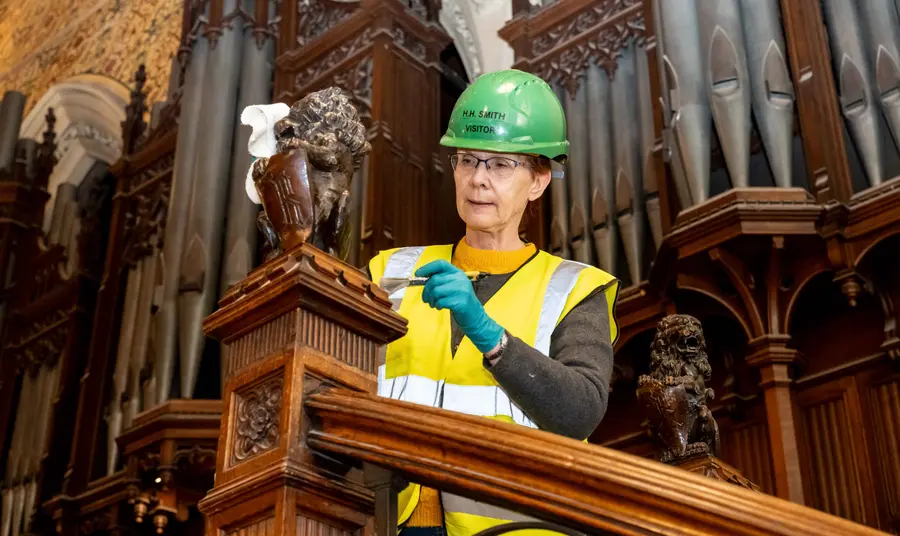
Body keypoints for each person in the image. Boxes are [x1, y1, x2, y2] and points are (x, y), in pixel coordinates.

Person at [368, 69, 619, 536]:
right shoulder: (390, 272)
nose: (478, 180)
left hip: (509, 526)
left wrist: (487, 333)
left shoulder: (575, 288)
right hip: (382, 518)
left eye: (501, 165)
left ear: (539, 180)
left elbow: (580, 413)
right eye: (468, 160)